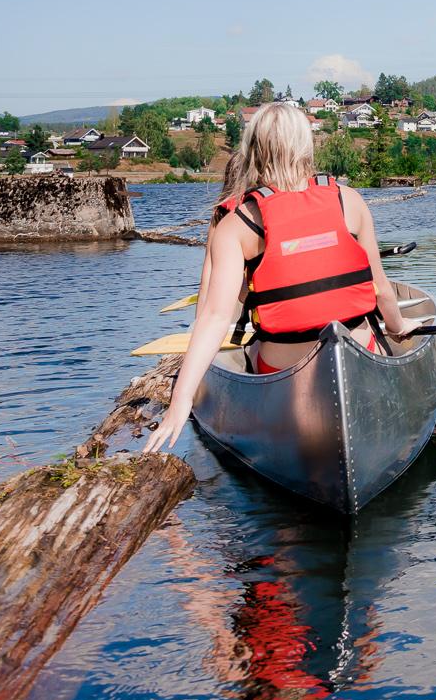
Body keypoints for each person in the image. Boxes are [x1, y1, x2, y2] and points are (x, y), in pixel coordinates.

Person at [145, 103, 413, 452]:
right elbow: (381, 291)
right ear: (307, 146)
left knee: (253, 345)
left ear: (253, 150)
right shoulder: (350, 201)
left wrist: (181, 398)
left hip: (286, 365)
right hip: (357, 350)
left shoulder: (235, 224)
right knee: (376, 337)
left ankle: (300, 436)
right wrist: (396, 327)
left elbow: (213, 317)